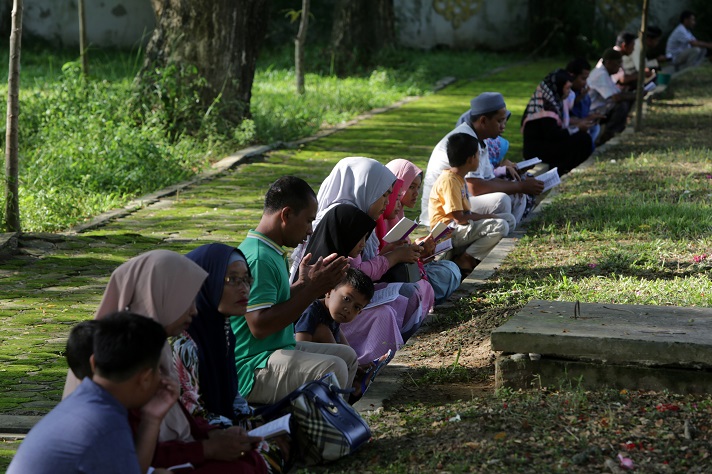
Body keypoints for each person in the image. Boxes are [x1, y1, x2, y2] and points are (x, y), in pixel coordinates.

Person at [71, 250, 270, 473]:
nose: (194, 310)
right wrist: (208, 446)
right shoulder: (125, 359)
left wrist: (213, 435)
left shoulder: (161, 347)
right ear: (158, 295)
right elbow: (132, 454)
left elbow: (182, 417)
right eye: (185, 300)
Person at [292, 158, 434, 356]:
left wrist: (391, 252)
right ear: (367, 188)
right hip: (330, 305)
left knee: (406, 295)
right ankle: (372, 360)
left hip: (344, 299)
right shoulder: (343, 218)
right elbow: (353, 273)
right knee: (387, 311)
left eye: (388, 195)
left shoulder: (361, 218)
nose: (387, 202)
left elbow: (361, 266)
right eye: (383, 195)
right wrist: (392, 257)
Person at [237, 176, 358, 405]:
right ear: (286, 215)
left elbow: (274, 304)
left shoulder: (270, 250)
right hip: (252, 366)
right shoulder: (259, 258)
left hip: (273, 350)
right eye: (308, 221)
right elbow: (259, 326)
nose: (311, 230)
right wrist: (311, 291)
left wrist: (302, 286)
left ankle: (335, 423)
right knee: (333, 368)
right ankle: (329, 439)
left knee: (347, 356)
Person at [9, 312, 168, 474]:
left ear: (93, 363)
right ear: (146, 378)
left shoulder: (81, 403)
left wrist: (152, 419)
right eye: (160, 371)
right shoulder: (107, 424)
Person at [183, 243, 290, 472]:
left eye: (247, 280)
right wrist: (240, 430)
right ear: (206, 281)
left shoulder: (224, 329)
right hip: (194, 439)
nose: (244, 290)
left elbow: (233, 396)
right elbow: (190, 415)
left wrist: (255, 422)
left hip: (223, 429)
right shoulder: (183, 341)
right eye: (232, 280)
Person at [421, 92, 541, 229]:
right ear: (483, 121)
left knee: (516, 194)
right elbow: (475, 188)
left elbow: (489, 179)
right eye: (499, 121)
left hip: (460, 200)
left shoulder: (479, 139)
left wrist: (520, 185)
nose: (503, 126)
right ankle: (495, 236)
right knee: (502, 201)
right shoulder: (467, 139)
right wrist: (521, 186)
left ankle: (504, 231)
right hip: (445, 211)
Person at [428, 133, 510, 277]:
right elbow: (459, 218)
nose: (479, 158)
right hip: (447, 233)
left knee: (509, 219)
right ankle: (465, 259)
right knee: (501, 225)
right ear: (470, 159)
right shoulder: (449, 181)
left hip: (460, 227)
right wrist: (487, 216)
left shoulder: (459, 178)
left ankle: (470, 254)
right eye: (478, 155)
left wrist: (486, 217)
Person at [385, 158, 461, 304]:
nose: (416, 193)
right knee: (446, 274)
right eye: (411, 187)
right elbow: (382, 258)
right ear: (398, 186)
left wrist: (420, 249)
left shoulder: (398, 213)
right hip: (393, 279)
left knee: (450, 268)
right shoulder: (381, 217)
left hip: (407, 272)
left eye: (418, 188)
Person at [521, 69, 594, 175]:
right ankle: (563, 171)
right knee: (582, 140)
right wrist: (577, 127)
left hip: (547, 145)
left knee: (582, 138)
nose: (569, 92)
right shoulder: (545, 108)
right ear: (558, 88)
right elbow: (555, 135)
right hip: (537, 152)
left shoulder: (553, 101)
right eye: (568, 88)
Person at [295, 268, 374, 346]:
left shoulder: (335, 316)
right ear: (329, 291)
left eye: (356, 307)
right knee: (322, 331)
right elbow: (300, 347)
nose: (348, 309)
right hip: (295, 355)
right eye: (346, 299)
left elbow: (346, 350)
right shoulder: (311, 311)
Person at [587, 48, 637, 145]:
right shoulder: (600, 74)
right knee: (622, 105)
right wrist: (637, 95)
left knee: (625, 100)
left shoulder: (606, 74)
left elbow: (617, 93)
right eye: (618, 63)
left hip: (601, 110)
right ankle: (608, 136)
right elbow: (616, 97)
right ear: (609, 62)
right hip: (592, 112)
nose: (620, 66)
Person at [566, 57, 604, 147]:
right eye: (583, 79)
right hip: (570, 128)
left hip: (582, 123)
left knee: (595, 128)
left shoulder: (583, 92)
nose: (585, 83)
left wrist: (591, 117)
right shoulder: (566, 93)